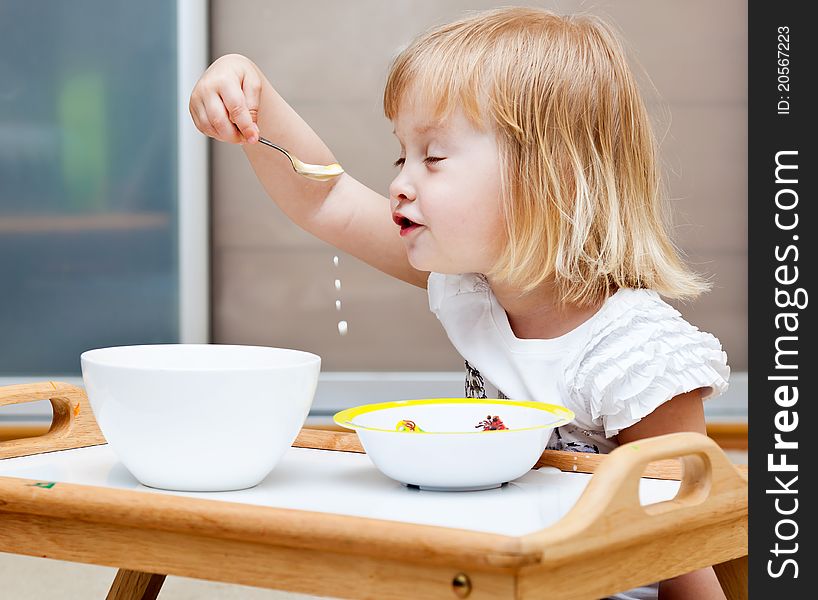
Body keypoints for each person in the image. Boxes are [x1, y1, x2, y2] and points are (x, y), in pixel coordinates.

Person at [189, 7, 730, 599]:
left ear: (549, 178)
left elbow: (690, 547)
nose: (400, 182)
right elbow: (329, 201)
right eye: (403, 156)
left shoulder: (636, 358)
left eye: (434, 158)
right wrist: (251, 96)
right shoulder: (474, 286)